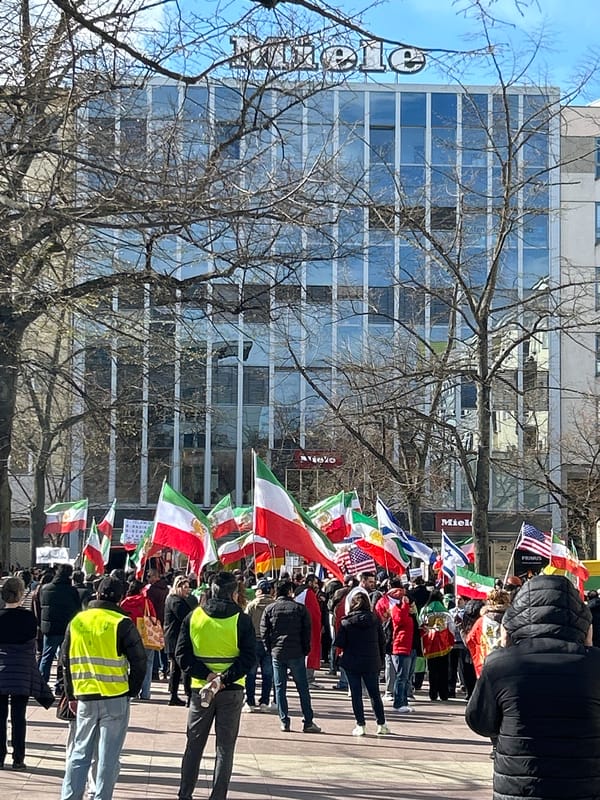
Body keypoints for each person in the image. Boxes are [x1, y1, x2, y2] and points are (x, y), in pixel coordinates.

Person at [466, 574, 600, 800]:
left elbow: (480, 721)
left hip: (520, 785)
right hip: (584, 785)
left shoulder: (501, 664)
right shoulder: (595, 665)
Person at [60, 576, 147, 800]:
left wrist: (70, 693)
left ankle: (70, 796)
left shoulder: (77, 621)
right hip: (115, 697)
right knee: (108, 757)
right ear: (120, 598)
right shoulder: (121, 623)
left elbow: (64, 661)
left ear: (97, 594)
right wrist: (132, 690)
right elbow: (139, 661)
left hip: (84, 697)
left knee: (79, 753)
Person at [175, 571, 256, 800]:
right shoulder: (241, 619)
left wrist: (208, 675)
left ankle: (185, 793)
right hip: (231, 690)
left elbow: (181, 655)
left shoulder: (194, 617)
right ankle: (218, 796)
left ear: (210, 590)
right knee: (225, 749)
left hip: (200, 690)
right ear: (233, 592)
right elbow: (249, 658)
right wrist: (223, 678)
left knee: (194, 745)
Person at [0, 577, 54, 771]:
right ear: (21, 594)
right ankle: (18, 758)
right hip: (22, 672)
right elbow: (32, 645)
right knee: (18, 717)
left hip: (1, 672)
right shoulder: (29, 618)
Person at [260, 579, 322, 734]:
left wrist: (270, 649)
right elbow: (307, 632)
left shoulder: (270, 609)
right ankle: (308, 721)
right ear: (290, 592)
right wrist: (305, 650)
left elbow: (264, 632)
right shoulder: (299, 609)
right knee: (302, 688)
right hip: (296, 653)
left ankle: (284, 721)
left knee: (280, 688)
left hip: (278, 653)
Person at [333, 591, 390, 737]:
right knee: (374, 694)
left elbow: (339, 643)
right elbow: (382, 641)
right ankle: (381, 724)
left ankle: (360, 725)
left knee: (356, 695)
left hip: (352, 662)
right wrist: (380, 659)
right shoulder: (375, 620)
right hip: (371, 661)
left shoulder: (346, 622)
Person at [39, 564, 82, 686]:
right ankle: (62, 683)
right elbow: (78, 610)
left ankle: (42, 683)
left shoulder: (46, 588)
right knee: (65, 658)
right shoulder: (72, 591)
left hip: (50, 628)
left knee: (46, 656)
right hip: (67, 628)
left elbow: (42, 607)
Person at [120, 579, 158, 701]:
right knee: (148, 664)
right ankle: (145, 693)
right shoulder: (146, 602)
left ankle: (131, 690)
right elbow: (154, 618)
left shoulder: (124, 603)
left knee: (128, 664)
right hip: (146, 637)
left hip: (128, 637)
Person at [243, 579, 276, 712]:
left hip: (253, 642)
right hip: (269, 642)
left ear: (259, 591)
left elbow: (245, 624)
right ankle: (264, 701)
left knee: (250, 674)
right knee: (267, 674)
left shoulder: (251, 606)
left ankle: (250, 702)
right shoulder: (274, 605)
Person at [164, 575, 194, 706]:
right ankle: (188, 694)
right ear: (178, 587)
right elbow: (186, 618)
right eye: (185, 587)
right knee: (185, 667)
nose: (188, 590)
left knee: (176, 669)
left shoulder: (174, 599)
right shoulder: (176, 601)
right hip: (177, 639)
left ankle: (174, 695)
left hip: (173, 638)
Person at [419, 590, 455, 702]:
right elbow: (451, 628)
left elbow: (420, 625)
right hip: (444, 644)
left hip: (429, 644)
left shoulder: (424, 610)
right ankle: (444, 694)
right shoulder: (446, 612)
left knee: (432, 669)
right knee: (444, 669)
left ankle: (433, 693)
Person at [144, 568, 169, 679]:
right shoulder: (167, 589)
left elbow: (149, 606)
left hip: (154, 621)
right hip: (165, 621)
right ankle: (165, 669)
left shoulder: (152, 591)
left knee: (153, 646)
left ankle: (155, 671)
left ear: (155, 577)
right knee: (163, 647)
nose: (147, 578)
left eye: (149, 576)